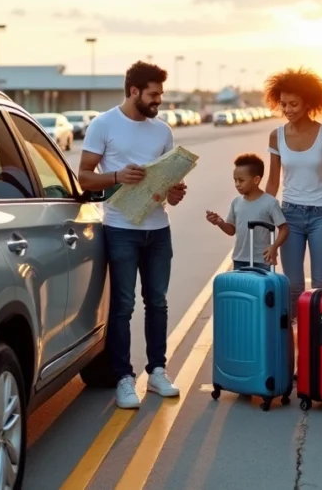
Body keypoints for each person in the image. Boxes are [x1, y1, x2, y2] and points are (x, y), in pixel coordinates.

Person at [78, 61, 188, 410]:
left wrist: (174, 192)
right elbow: (83, 176)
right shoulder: (103, 124)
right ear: (134, 91)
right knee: (123, 306)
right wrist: (116, 177)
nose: (158, 100)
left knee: (157, 303)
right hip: (121, 229)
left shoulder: (163, 131)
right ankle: (124, 377)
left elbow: (167, 182)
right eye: (153, 94)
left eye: (161, 94)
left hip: (158, 229)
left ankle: (157, 372)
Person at [263, 67, 322, 310]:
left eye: (294, 104)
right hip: (290, 216)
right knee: (293, 285)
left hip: (321, 215)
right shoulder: (276, 136)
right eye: (283, 104)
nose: (288, 110)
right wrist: (263, 211)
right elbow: (273, 180)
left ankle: (318, 330)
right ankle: (293, 328)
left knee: (320, 284)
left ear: (308, 103)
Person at [206, 153, 289, 270]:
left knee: (262, 283)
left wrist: (274, 247)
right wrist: (219, 222)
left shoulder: (270, 202)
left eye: (241, 180)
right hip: (239, 258)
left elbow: (284, 228)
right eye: (235, 180)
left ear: (256, 180)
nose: (237, 184)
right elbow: (231, 230)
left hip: (262, 259)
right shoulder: (236, 202)